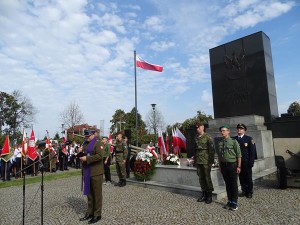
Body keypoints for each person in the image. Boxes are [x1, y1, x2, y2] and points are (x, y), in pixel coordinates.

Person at [79, 130, 104, 224]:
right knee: (89, 194)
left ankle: (97, 214)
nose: (87, 137)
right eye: (86, 136)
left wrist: (87, 158)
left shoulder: (98, 143)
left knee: (97, 194)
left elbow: (99, 156)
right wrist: (80, 154)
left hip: (96, 172)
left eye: (88, 136)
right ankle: (90, 212)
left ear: (94, 135)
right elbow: (85, 153)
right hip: (87, 171)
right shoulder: (85, 144)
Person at [217, 125, 242, 211]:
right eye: (221, 131)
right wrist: (220, 166)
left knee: (233, 184)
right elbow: (220, 156)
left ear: (228, 132)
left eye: (224, 130)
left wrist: (239, 166)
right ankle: (229, 200)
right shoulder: (220, 143)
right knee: (227, 184)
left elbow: (239, 155)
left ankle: (234, 202)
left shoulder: (233, 142)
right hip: (224, 166)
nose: (222, 132)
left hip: (232, 165)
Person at [194, 122, 215, 204]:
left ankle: (209, 195)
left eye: (198, 127)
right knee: (201, 178)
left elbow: (212, 150)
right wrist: (195, 160)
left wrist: (211, 161)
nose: (197, 129)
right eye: (196, 128)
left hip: (206, 161)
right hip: (199, 161)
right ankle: (204, 194)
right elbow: (194, 149)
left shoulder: (208, 137)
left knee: (207, 178)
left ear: (202, 128)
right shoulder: (196, 137)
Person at [233, 123, 256, 198]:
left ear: (244, 130)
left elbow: (252, 152)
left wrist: (251, 162)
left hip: (246, 162)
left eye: (241, 129)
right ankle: (244, 190)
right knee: (241, 177)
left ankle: (249, 191)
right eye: (238, 128)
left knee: (248, 177)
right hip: (238, 163)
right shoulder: (234, 139)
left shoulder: (249, 139)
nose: (239, 130)